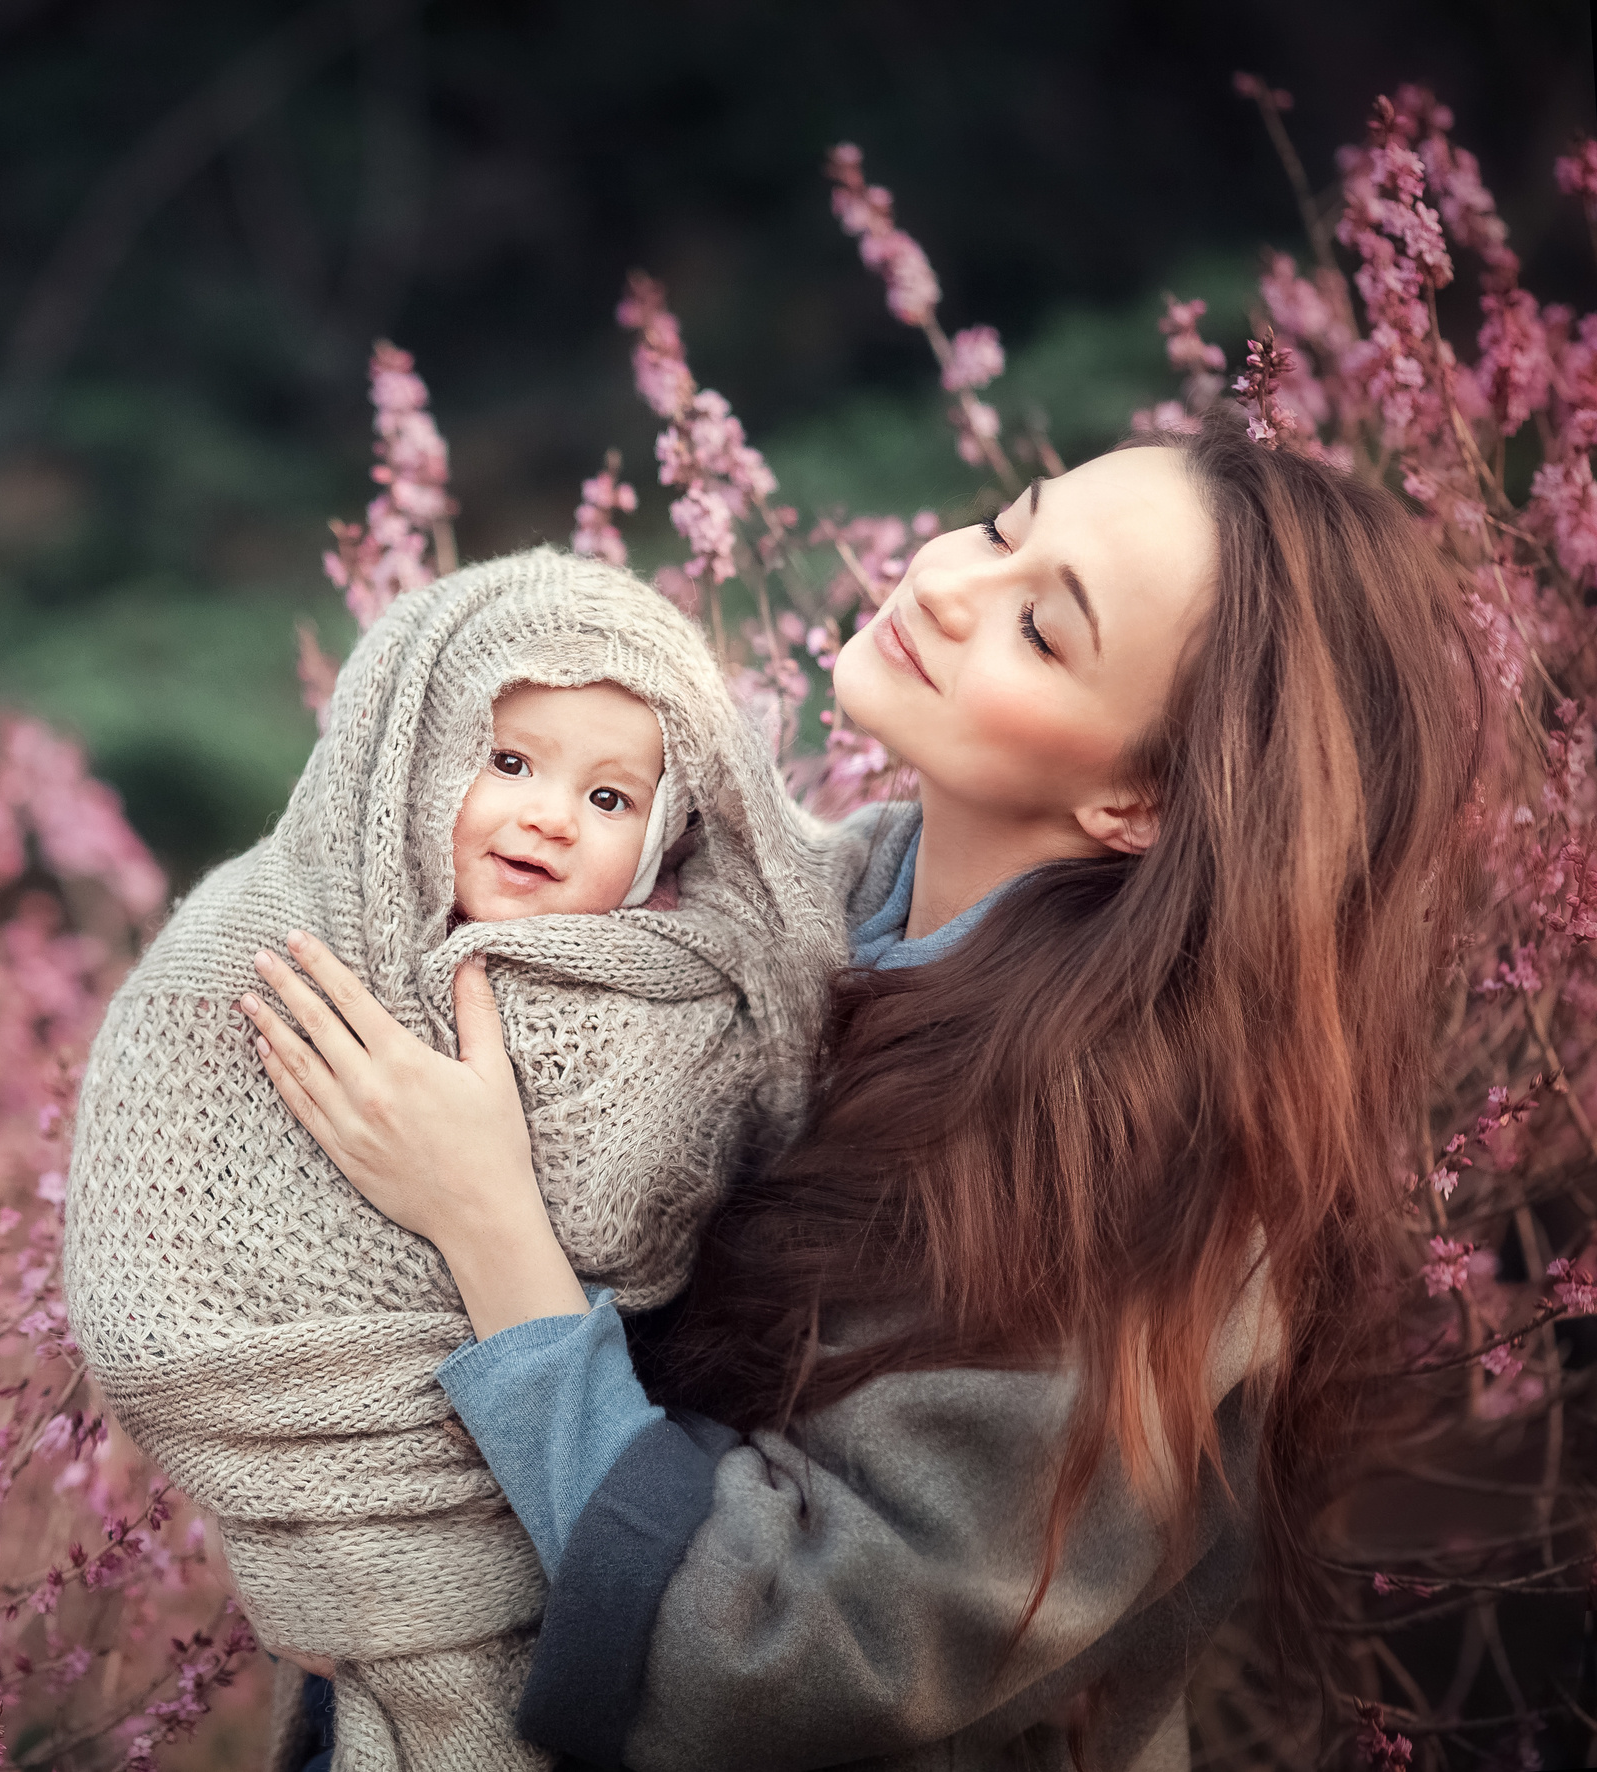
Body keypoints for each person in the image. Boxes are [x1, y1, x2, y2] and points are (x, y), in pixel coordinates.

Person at [241, 407, 1489, 1769]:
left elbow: (785, 1653)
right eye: (1008, 524)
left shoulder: (1138, 1191)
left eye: (1040, 629)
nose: (949, 585)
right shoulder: (762, 913)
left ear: (1139, 803)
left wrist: (488, 1220)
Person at [63, 550, 850, 1771]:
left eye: (609, 799)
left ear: (667, 837)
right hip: (377, 1522)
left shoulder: (679, 998)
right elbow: (167, 1270)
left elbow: (658, 1228)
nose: (547, 813)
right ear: (411, 760)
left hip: (592, 1520)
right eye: (510, 761)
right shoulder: (268, 942)